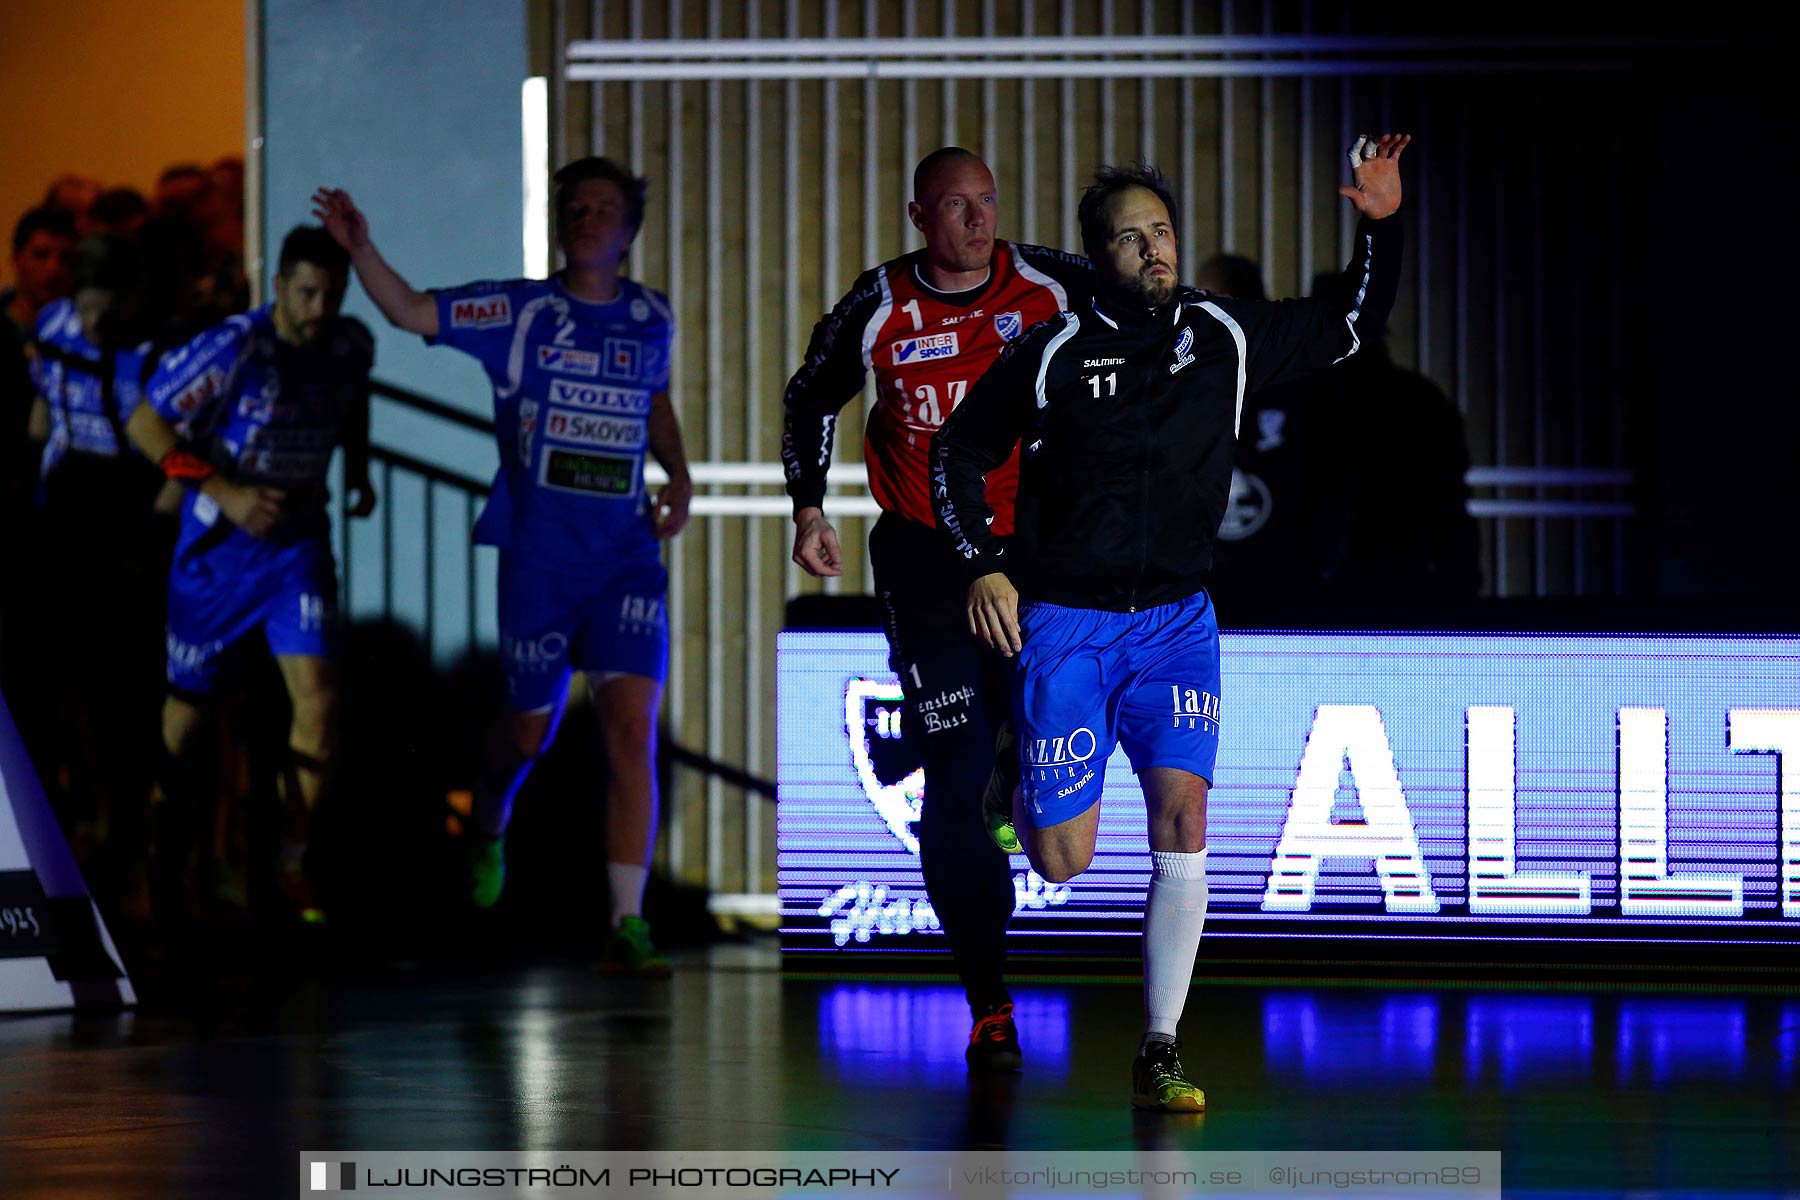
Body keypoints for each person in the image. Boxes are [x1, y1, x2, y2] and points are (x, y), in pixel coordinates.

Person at [932, 136, 1409, 1109]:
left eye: (1163, 230)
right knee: (1062, 864)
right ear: (1096, 256)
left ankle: (1159, 1047)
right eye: (1129, 237)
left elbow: (1355, 325)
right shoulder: (1054, 352)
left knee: (1184, 818)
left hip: (1179, 623)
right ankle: (1017, 754)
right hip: (1067, 621)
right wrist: (982, 565)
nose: (1154, 249)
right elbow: (957, 454)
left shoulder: (1222, 334)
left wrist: (1381, 223)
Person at [311, 156, 693, 973]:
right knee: (528, 731)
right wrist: (359, 248)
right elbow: (414, 312)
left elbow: (655, 399)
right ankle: (487, 825)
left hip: (626, 560)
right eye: (576, 207)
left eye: (604, 209)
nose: (588, 218)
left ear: (628, 232)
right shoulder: (521, 312)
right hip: (539, 561)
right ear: (561, 224)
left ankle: (627, 922)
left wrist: (682, 477)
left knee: (631, 729)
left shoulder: (651, 316)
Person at [780, 146, 1092, 1070]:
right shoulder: (879, 304)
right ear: (919, 216)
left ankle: (1012, 753)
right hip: (924, 558)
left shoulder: (1049, 284)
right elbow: (811, 396)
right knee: (951, 779)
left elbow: (1157, 320)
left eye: (987, 202)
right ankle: (989, 1001)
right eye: (955, 206)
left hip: (1033, 555)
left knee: (1039, 752)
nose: (977, 220)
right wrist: (809, 505)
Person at [127, 225, 378, 925]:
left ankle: (291, 864)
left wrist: (356, 472)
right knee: (188, 716)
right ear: (277, 287)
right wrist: (225, 492)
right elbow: (145, 425)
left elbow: (351, 404)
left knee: (318, 697)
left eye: (331, 294)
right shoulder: (235, 346)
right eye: (305, 293)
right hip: (218, 552)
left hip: (296, 546)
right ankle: (155, 857)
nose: (318, 308)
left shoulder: (351, 344)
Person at [25, 236, 167, 881]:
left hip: (125, 519)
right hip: (64, 514)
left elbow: (170, 449)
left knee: (121, 688)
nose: (91, 326)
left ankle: (123, 829)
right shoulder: (51, 325)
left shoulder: (151, 353)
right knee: (62, 678)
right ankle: (75, 818)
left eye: (105, 312)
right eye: (85, 309)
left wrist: (152, 528)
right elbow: (40, 411)